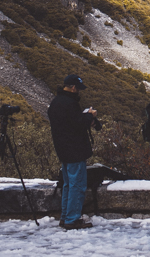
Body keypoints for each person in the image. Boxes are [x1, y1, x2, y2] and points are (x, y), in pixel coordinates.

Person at [48, 73, 98, 230]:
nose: (79, 92)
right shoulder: (70, 103)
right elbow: (77, 125)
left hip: (62, 148)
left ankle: (65, 216)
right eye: (79, 89)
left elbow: (66, 123)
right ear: (74, 88)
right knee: (77, 184)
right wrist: (89, 116)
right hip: (75, 149)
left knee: (68, 184)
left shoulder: (56, 103)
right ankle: (72, 218)